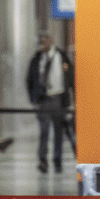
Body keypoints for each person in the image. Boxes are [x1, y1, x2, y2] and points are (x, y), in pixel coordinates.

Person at [25, 31, 74, 174]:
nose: (41, 44)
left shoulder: (61, 57)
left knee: (59, 132)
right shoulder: (36, 59)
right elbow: (29, 79)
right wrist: (33, 99)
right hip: (43, 100)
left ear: (51, 41)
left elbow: (70, 78)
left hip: (59, 99)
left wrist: (72, 99)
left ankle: (57, 161)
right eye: (39, 42)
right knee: (44, 131)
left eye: (44, 41)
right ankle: (42, 161)